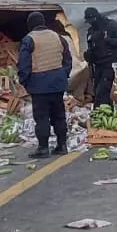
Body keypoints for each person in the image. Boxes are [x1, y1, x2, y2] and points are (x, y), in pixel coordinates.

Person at [18, 10, 73, 158]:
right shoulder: (58, 37)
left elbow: (24, 64)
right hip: (58, 83)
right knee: (59, 115)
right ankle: (62, 145)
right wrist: (63, 75)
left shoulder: (29, 39)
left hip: (39, 85)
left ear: (30, 24)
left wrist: (25, 82)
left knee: (42, 117)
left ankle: (43, 148)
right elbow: (67, 59)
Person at [82, 6, 117, 108]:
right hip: (98, 65)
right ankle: (101, 112)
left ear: (95, 17)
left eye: (91, 20)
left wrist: (109, 41)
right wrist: (88, 55)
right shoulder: (91, 31)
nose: (90, 23)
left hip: (110, 63)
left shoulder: (111, 25)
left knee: (103, 90)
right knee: (97, 90)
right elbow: (91, 48)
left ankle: (101, 112)